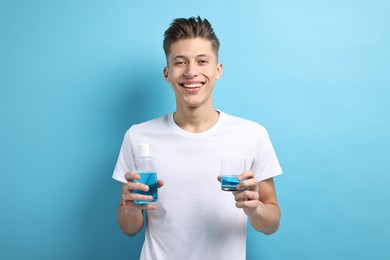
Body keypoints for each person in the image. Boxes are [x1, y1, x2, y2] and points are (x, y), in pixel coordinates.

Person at [112, 16, 282, 260]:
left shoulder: (252, 134)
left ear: (217, 70)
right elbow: (128, 228)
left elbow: (272, 223)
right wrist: (130, 209)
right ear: (167, 73)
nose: (191, 72)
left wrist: (255, 209)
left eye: (202, 61)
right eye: (180, 62)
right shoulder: (138, 136)